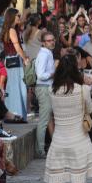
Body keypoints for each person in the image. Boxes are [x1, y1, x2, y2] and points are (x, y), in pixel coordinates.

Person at [45, 52, 92, 183]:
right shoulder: (82, 90)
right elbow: (90, 109)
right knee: (77, 182)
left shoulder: (51, 90)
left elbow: (51, 115)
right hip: (78, 141)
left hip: (58, 141)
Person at [0, 8, 29, 119]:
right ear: (12, 17)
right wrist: (25, 58)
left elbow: (22, 23)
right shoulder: (12, 30)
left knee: (13, 87)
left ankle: (14, 113)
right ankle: (17, 113)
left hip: (10, 60)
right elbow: (17, 47)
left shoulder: (9, 29)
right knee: (17, 87)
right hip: (15, 60)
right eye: (18, 15)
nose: (19, 17)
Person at [35, 30, 57, 158]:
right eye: (49, 40)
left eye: (53, 40)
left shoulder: (48, 52)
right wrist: (52, 74)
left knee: (48, 119)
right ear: (43, 43)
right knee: (44, 120)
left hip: (46, 88)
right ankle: (40, 151)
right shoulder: (44, 54)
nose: (52, 42)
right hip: (43, 88)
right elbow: (40, 74)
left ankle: (48, 148)